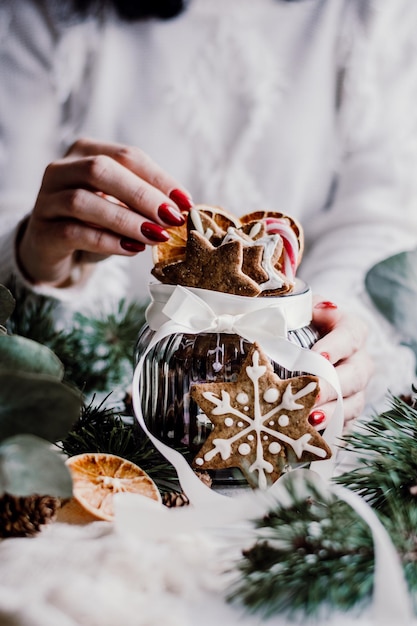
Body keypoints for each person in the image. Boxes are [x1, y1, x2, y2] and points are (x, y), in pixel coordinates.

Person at [0, 0, 416, 427]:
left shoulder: (375, 13)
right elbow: (11, 204)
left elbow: (378, 213)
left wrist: (326, 331)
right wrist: (37, 259)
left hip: (277, 395)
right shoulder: (44, 14)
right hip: (99, 410)